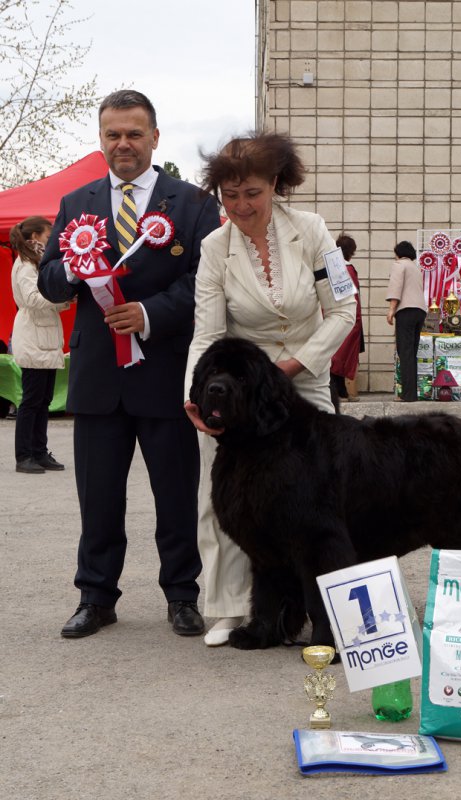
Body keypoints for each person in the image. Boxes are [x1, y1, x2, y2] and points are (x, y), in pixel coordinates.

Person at [38, 90, 221, 638]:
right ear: (101, 139)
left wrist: (148, 312)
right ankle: (96, 597)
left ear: (155, 138)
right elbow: (49, 280)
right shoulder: (76, 203)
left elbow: (206, 283)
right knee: (97, 498)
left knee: (175, 495)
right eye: (113, 134)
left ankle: (183, 596)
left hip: (166, 375)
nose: (123, 143)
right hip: (97, 380)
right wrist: (74, 271)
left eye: (134, 134)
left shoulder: (191, 204)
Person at [183, 132, 356, 646]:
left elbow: (343, 310)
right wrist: (193, 397)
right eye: (229, 196)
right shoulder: (214, 248)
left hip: (308, 375)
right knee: (226, 498)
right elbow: (208, 333)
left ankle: (337, 608)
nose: (241, 206)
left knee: (327, 496)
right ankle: (233, 608)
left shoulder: (313, 231)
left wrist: (296, 364)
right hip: (241, 394)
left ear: (275, 184)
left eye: (252, 193)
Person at [10, 216, 69, 474]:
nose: (51, 240)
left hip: (44, 338)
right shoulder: (24, 265)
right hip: (33, 337)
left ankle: (40, 451)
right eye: (47, 236)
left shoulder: (37, 263)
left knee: (43, 400)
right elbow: (33, 299)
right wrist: (62, 299)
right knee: (31, 401)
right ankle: (24, 456)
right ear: (34, 237)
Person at [385, 241, 427, 402]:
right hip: (420, 311)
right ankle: (412, 393)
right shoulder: (416, 268)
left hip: (406, 311)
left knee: (405, 353)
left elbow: (396, 287)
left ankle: (408, 395)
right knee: (412, 353)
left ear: (398, 253)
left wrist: (391, 310)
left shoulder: (399, 264)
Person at [330, 234, 364, 402]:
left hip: (331, 316)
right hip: (346, 317)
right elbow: (353, 298)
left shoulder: (332, 268)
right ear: (351, 251)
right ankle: (338, 392)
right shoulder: (348, 269)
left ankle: (342, 391)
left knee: (336, 354)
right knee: (342, 356)